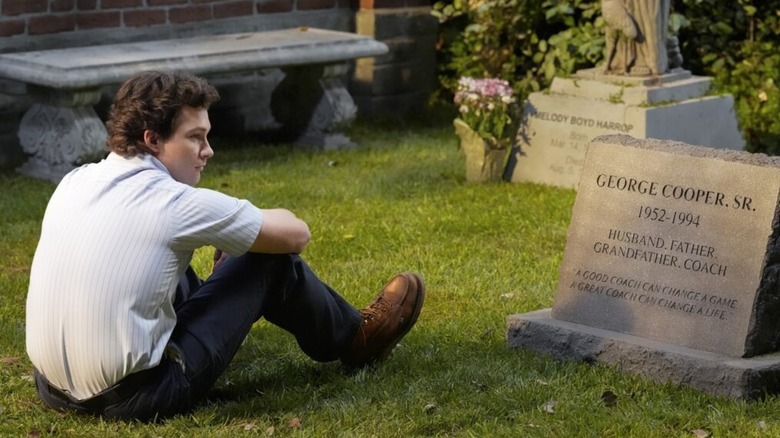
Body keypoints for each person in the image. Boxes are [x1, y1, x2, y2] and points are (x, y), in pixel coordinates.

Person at [25, 70, 425, 421]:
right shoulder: (173, 203)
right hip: (139, 395)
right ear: (152, 139)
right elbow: (295, 234)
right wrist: (244, 243)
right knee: (267, 262)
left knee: (150, 256)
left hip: (52, 388)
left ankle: (214, 311)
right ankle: (356, 337)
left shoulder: (75, 181)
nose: (208, 151)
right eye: (195, 138)